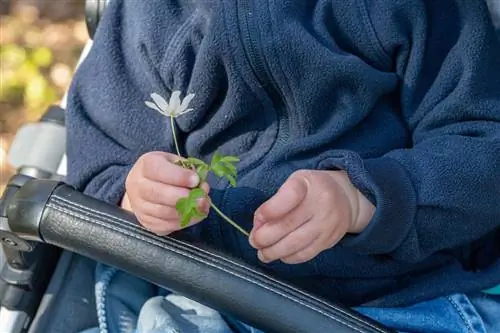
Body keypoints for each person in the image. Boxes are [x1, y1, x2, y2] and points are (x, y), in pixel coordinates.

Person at [66, 0, 500, 332]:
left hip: (404, 300)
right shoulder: (154, 14)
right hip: (205, 297)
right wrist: (137, 193)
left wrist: (360, 198)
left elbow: (482, 143)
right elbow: (100, 159)